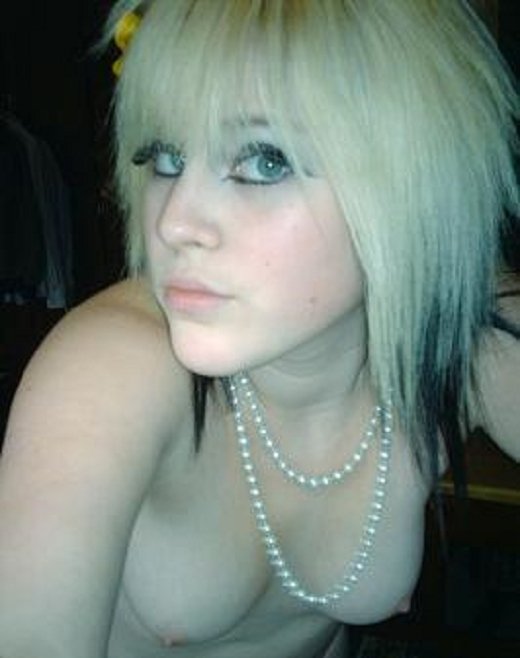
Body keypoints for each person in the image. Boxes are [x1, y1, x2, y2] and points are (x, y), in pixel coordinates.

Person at [0, 1, 519, 656]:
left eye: (265, 162)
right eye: (166, 157)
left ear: (412, 182)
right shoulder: (111, 368)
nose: (173, 223)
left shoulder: (461, 337)